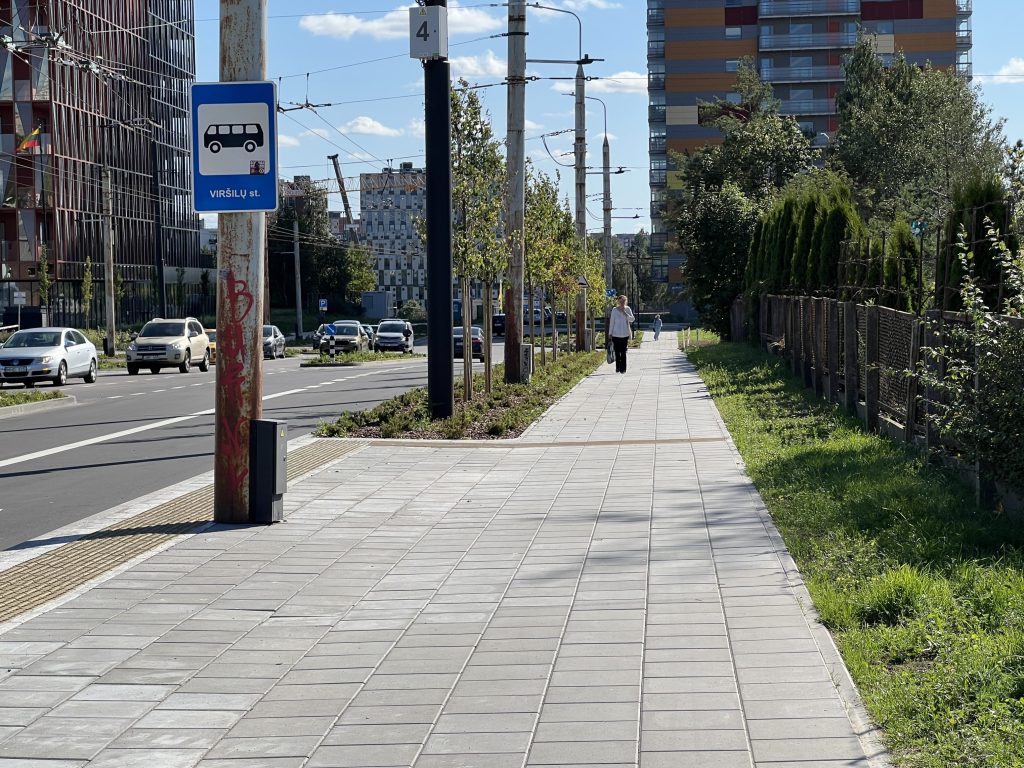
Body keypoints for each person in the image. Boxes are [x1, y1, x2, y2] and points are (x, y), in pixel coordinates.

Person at [608, 294, 635, 374]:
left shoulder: (627, 309)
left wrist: (625, 314)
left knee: (623, 352)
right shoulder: (614, 310)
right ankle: (618, 367)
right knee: (617, 352)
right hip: (616, 334)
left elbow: (632, 319)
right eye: (621, 301)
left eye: (624, 301)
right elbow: (612, 322)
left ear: (626, 302)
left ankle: (623, 369)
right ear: (618, 301)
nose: (622, 303)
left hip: (625, 334)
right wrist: (610, 333)